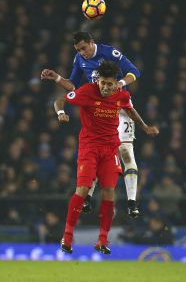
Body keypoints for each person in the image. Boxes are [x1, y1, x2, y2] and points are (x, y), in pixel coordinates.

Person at [53, 61, 159, 254]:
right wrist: (60, 113)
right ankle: (67, 236)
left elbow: (130, 110)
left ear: (116, 83)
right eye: (103, 83)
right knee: (83, 189)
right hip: (89, 148)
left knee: (109, 192)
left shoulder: (121, 94)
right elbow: (60, 101)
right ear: (98, 81)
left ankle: (102, 240)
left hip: (110, 149)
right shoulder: (86, 91)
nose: (105, 87)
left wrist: (144, 127)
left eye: (110, 84)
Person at [41, 31, 141, 217]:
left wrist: (120, 82)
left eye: (84, 48)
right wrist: (56, 77)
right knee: (96, 150)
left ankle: (132, 202)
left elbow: (134, 72)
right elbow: (73, 85)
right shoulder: (79, 59)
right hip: (99, 108)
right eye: (78, 50)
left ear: (92, 42)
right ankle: (88, 197)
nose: (82, 52)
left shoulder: (110, 53)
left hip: (120, 106)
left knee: (126, 152)